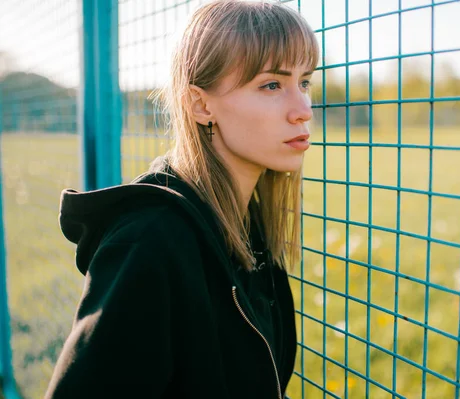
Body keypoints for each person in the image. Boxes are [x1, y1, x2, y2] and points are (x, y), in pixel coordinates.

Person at [44, 0, 318, 397]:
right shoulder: (149, 241)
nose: (302, 109)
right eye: (271, 85)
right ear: (201, 104)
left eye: (304, 82)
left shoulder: (244, 220)